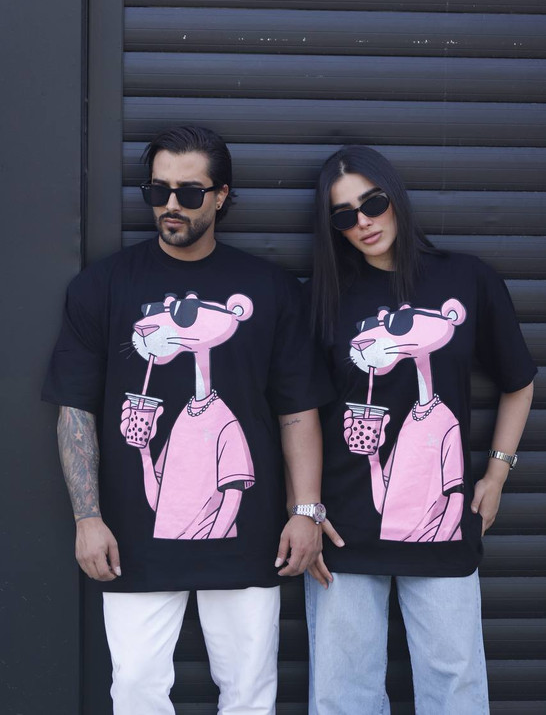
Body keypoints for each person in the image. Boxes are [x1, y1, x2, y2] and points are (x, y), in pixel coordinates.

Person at [42, 125, 335, 715]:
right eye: (158, 191)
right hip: (132, 539)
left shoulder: (270, 290)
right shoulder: (102, 287)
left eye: (189, 192)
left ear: (221, 196)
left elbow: (297, 411)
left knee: (249, 693)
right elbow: (75, 410)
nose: (170, 204)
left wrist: (306, 511)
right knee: (136, 690)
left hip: (247, 537)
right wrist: (87, 518)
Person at [305, 145, 536, 714]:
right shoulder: (324, 298)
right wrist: (304, 509)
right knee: (341, 694)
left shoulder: (467, 279)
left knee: (454, 686)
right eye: (344, 215)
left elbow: (518, 381)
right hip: (343, 527)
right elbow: (299, 411)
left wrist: (496, 476)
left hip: (442, 521)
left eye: (372, 203)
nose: (363, 221)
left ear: (396, 198)